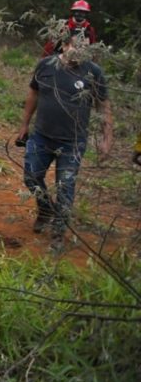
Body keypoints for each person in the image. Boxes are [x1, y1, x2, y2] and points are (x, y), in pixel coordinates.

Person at [16, 34, 112, 251]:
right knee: (31, 176)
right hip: (42, 136)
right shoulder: (45, 66)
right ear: (66, 45)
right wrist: (24, 125)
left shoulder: (93, 72)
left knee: (65, 188)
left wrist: (107, 138)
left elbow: (103, 105)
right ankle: (45, 209)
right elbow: (33, 92)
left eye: (85, 48)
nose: (81, 52)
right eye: (77, 47)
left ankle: (58, 234)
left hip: (73, 143)